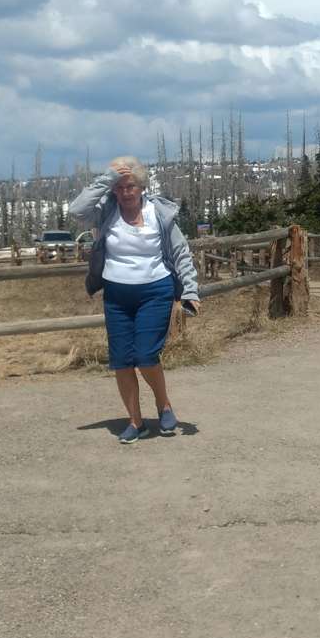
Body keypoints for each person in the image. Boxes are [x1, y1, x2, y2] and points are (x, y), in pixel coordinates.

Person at [69, 157, 200, 443]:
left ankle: (164, 404)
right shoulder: (107, 212)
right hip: (117, 295)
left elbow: (181, 253)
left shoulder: (159, 214)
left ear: (141, 187)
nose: (125, 192)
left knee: (145, 355)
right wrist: (107, 178)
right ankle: (135, 421)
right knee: (122, 361)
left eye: (130, 186)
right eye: (119, 187)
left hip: (155, 291)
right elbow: (77, 210)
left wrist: (190, 289)